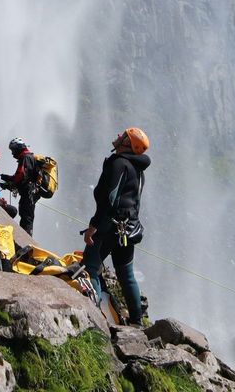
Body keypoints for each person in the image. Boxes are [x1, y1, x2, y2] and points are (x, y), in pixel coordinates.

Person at [82, 126, 150, 326]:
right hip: (128, 229)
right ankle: (137, 321)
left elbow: (109, 199)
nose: (118, 136)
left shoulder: (118, 163)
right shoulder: (137, 169)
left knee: (90, 267)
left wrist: (93, 226)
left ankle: (93, 319)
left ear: (128, 143)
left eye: (123, 135)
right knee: (126, 273)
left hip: (109, 227)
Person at [0, 137, 40, 235]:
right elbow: (23, 177)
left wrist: (9, 181)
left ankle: (25, 242)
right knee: (27, 216)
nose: (13, 153)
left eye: (13, 150)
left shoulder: (25, 157)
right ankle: (25, 239)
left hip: (28, 193)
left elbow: (20, 176)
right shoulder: (29, 157)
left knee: (26, 217)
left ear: (18, 148)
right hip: (30, 193)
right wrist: (8, 180)